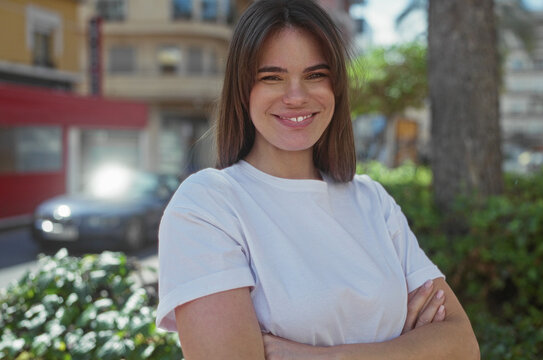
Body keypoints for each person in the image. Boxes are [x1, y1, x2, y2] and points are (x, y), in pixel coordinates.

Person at [155, 0, 480, 359]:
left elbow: (462, 346)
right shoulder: (207, 206)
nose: (296, 96)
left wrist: (319, 355)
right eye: (272, 77)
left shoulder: (372, 201)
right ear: (243, 89)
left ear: (336, 87)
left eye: (315, 75)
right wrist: (404, 347)